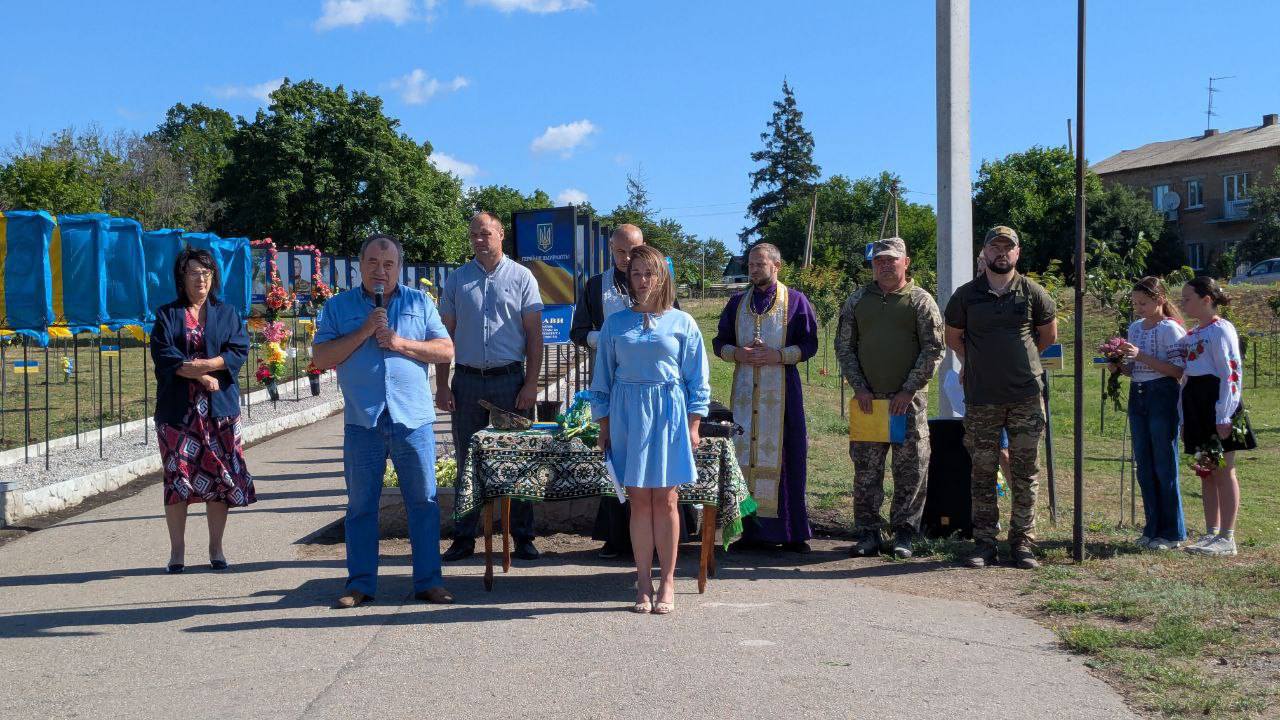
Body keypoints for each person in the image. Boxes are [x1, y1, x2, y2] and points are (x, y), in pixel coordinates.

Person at [313, 233, 456, 609]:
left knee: (423, 502)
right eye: (373, 263)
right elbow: (322, 357)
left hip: (413, 419)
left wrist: (399, 343)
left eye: (388, 264)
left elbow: (445, 350)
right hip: (364, 420)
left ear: (399, 267)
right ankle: (359, 584)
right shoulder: (338, 307)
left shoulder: (419, 302)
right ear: (360, 265)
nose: (381, 271)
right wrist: (364, 331)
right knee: (361, 506)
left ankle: (429, 581)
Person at [591, 245, 710, 614]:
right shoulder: (615, 324)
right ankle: (642, 581)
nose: (642, 280)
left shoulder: (683, 323)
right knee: (639, 501)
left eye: (649, 273)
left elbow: (697, 379)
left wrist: (694, 424)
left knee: (668, 500)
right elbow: (602, 379)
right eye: (636, 274)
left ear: (661, 277)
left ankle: (668, 581)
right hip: (628, 415)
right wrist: (604, 425)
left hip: (669, 414)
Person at [571, 224, 695, 559]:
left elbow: (675, 331)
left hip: (661, 397)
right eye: (621, 252)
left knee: (664, 489)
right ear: (611, 250)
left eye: (633, 251)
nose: (627, 259)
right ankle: (618, 539)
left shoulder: (660, 288)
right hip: (619, 389)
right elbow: (578, 330)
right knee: (628, 482)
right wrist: (605, 338)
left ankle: (665, 551)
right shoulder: (596, 285)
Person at [943, 226, 1057, 570]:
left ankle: (1022, 543)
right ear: (985, 252)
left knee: (1025, 472)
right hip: (982, 398)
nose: (1001, 253)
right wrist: (976, 362)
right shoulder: (966, 296)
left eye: (1008, 248)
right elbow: (953, 338)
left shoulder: (1033, 292)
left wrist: (1019, 362)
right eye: (995, 247)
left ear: (1017, 253)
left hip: (1025, 397)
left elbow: (1047, 337)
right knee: (982, 472)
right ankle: (985, 543)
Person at [436, 212, 544, 562]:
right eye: (473, 235)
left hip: (510, 382)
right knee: (467, 461)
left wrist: (531, 384)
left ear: (500, 234)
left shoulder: (522, 277)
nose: (478, 240)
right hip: (467, 382)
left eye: (485, 233)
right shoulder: (457, 280)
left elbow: (534, 336)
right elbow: (445, 336)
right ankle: (464, 537)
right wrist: (442, 385)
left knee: (518, 459)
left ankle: (523, 537)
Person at [834, 237, 944, 559]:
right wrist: (860, 388)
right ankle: (868, 532)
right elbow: (844, 347)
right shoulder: (857, 300)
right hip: (869, 402)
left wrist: (909, 389)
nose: (884, 265)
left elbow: (933, 349)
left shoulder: (920, 301)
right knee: (867, 470)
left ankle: (904, 533)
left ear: (905, 262)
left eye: (891, 260)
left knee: (910, 469)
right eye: (879, 260)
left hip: (906, 402)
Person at [150, 247, 252, 574]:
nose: (201, 279)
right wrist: (201, 376)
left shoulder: (227, 313)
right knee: (177, 477)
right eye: (194, 273)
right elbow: (165, 356)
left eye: (206, 273)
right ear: (182, 277)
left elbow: (238, 349)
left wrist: (208, 366)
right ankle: (177, 551)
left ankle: (216, 548)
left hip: (219, 412)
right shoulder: (167, 315)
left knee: (219, 477)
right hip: (178, 414)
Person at [711, 243, 819, 553]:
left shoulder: (796, 301)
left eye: (760, 264)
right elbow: (719, 342)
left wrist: (778, 355)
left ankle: (792, 533)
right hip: (745, 393)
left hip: (782, 393)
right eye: (750, 264)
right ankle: (750, 532)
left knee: (788, 456)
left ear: (776, 266)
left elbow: (809, 344)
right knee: (744, 459)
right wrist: (738, 354)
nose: (754, 269)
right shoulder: (736, 303)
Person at [1177, 276, 1256, 557]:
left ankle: (1227, 537)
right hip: (1196, 406)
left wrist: (1224, 414)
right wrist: (1184, 418)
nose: (1182, 304)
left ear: (1206, 300)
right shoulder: (1192, 334)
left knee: (1224, 470)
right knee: (1206, 471)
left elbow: (1230, 373)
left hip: (1218, 406)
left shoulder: (1222, 330)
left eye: (1187, 299)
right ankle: (1211, 532)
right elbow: (1186, 378)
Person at [1113, 277, 1187, 551]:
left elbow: (1178, 371)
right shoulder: (1135, 328)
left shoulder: (1170, 329)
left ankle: (1172, 532)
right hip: (1139, 392)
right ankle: (1152, 527)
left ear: (1160, 300)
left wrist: (1141, 355)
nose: (1138, 308)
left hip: (1162, 393)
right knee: (1143, 464)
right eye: (1135, 303)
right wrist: (1117, 364)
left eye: (1143, 303)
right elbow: (1133, 369)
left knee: (1164, 463)